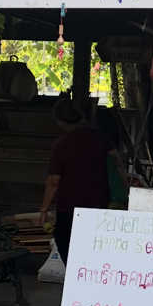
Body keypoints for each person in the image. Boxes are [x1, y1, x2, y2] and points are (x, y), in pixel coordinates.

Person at [38, 97, 128, 265]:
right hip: (100, 205)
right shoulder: (102, 138)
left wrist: (44, 209)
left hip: (70, 208)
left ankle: (75, 275)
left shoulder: (62, 144)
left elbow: (53, 181)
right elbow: (118, 166)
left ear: (60, 121)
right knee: (94, 247)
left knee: (66, 243)